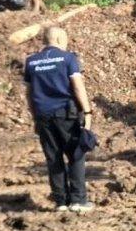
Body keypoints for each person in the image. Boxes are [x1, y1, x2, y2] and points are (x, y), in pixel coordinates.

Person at [24, 26, 94, 212]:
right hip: (66, 114)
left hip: (43, 116)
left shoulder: (31, 62)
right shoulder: (68, 58)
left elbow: (29, 94)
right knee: (76, 155)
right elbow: (78, 87)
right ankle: (78, 200)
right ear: (58, 39)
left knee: (53, 158)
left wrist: (34, 117)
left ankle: (61, 201)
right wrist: (87, 112)